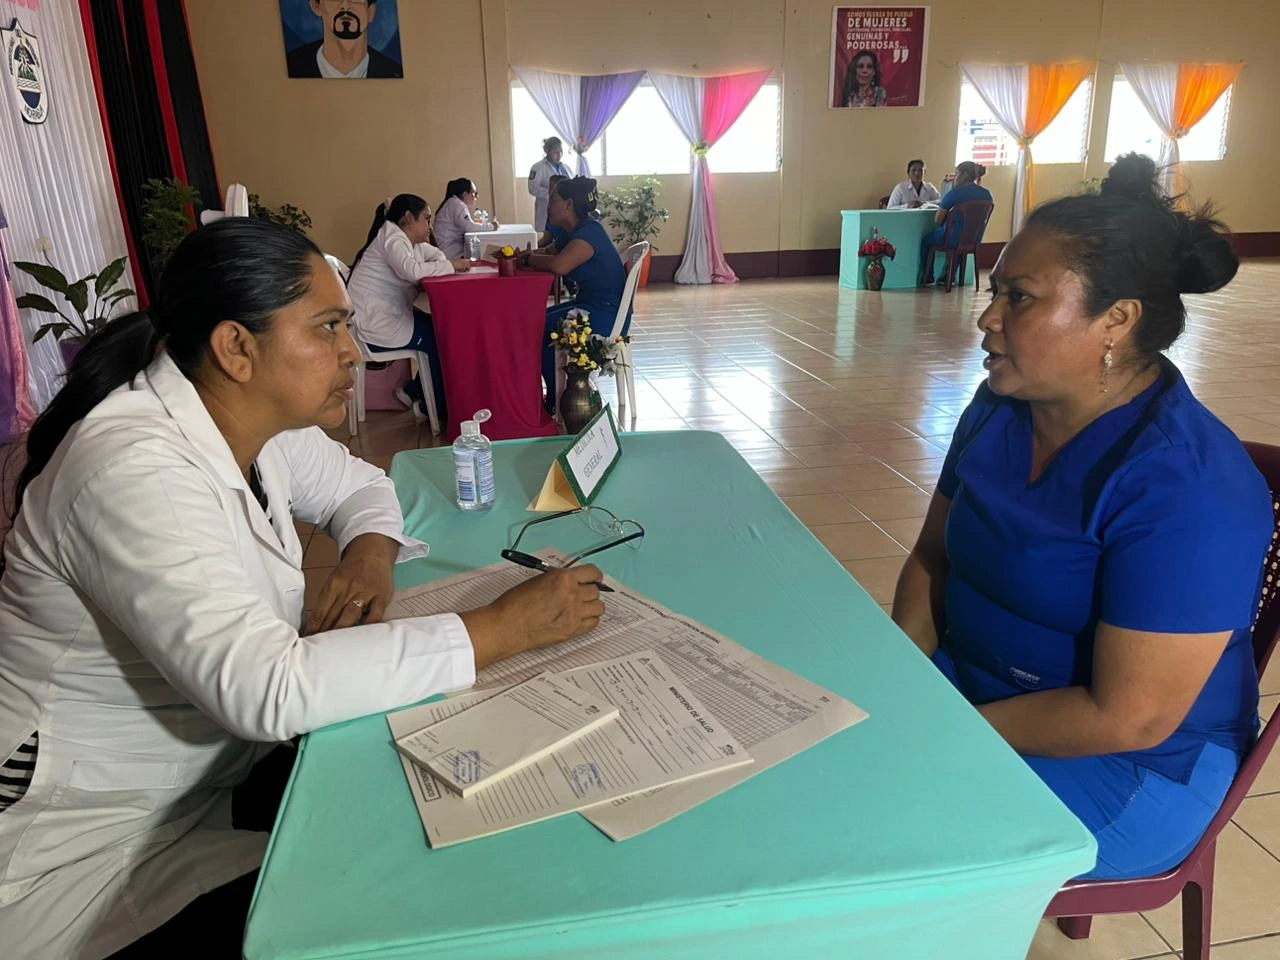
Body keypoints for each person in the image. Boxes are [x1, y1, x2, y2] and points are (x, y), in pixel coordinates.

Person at [0, 218, 606, 959]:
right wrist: (499, 629)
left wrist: (371, 555)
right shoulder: (129, 470)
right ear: (237, 348)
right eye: (327, 328)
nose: (353, 351)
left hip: (202, 779)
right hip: (81, 847)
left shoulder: (251, 419)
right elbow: (265, 689)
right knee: (399, 905)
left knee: (449, 800)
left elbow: (358, 487)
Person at [891, 153, 1270, 882]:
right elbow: (933, 557)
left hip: (1128, 765)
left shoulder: (1187, 485)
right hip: (973, 695)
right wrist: (905, 684)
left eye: (1020, 298)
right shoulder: (999, 408)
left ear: (1117, 320)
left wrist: (943, 734)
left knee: (873, 835)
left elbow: (1130, 716)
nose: (987, 318)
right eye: (995, 292)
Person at [347, 194, 466, 421]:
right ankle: (435, 407)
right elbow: (412, 271)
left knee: (439, 329)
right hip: (376, 323)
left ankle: (414, 391)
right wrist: (451, 265)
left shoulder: (409, 242)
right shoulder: (392, 238)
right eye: (426, 219)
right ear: (409, 217)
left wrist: (442, 263)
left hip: (387, 313)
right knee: (438, 337)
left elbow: (435, 255)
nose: (430, 226)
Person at [522, 177, 626, 412]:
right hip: (588, 305)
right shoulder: (572, 231)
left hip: (605, 313)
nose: (548, 205)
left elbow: (559, 265)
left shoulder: (589, 233)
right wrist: (526, 255)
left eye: (553, 200)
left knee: (539, 328)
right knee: (537, 321)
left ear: (568, 205)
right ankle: (550, 394)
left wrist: (528, 260)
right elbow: (549, 251)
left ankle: (556, 400)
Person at [284, 0, 403, 79]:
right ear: (316, 6)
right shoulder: (293, 65)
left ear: (370, 12)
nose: (345, 5)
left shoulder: (393, 71)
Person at [920, 161, 994, 285]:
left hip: (952, 239)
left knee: (927, 241)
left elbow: (938, 220)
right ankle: (950, 276)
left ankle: (928, 277)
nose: (954, 177)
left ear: (964, 175)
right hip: (974, 239)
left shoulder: (954, 194)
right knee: (961, 238)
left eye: (956, 174)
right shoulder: (987, 194)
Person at [432, 178, 499, 261]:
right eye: (475, 193)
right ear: (465, 194)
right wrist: (491, 226)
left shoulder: (453, 202)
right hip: (448, 249)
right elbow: (469, 227)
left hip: (447, 246)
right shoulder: (457, 204)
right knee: (480, 252)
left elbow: (467, 225)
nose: (476, 196)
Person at [528, 137, 573, 232]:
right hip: (546, 210)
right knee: (548, 235)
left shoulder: (566, 168)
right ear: (547, 151)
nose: (559, 155)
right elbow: (533, 188)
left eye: (561, 152)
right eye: (556, 152)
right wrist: (554, 194)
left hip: (565, 212)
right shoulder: (538, 167)